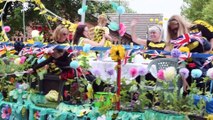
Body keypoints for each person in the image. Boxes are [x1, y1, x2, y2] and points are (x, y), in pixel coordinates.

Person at [166, 15, 212, 94]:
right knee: (188, 91)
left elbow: (212, 37)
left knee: (205, 89)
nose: (174, 32)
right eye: (172, 30)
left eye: (176, 29)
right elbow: (178, 61)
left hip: (205, 63)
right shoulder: (177, 40)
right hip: (187, 66)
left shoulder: (199, 25)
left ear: (181, 24)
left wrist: (204, 55)